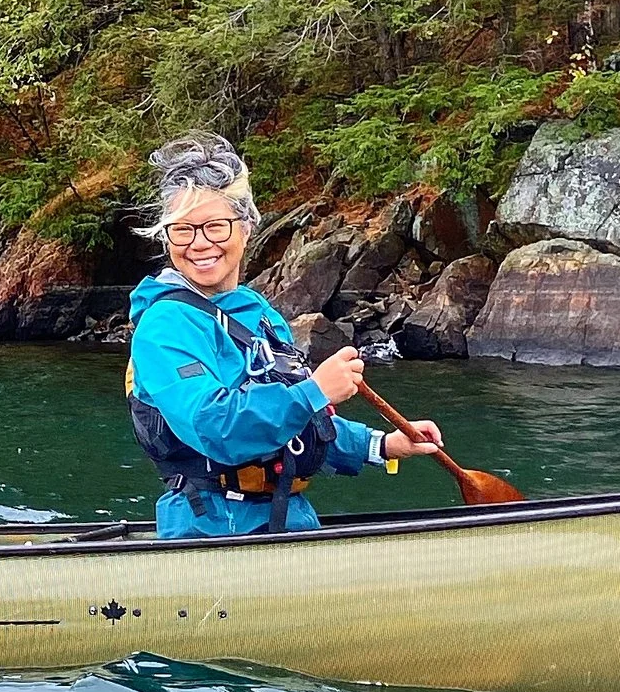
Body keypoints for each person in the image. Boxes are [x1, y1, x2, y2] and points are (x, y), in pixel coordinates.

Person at [127, 133, 446, 538]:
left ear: (246, 228)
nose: (199, 243)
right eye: (182, 230)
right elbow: (216, 428)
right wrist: (316, 390)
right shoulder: (164, 326)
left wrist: (384, 445)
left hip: (289, 517)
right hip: (209, 526)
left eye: (215, 226)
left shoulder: (258, 313)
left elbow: (299, 427)